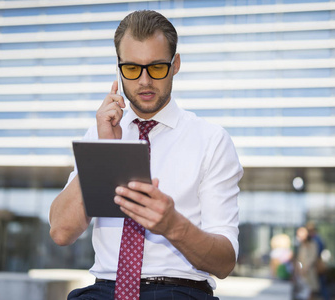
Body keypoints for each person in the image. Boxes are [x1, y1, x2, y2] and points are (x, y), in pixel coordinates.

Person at [49, 10, 243, 300]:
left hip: (179, 290)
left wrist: (172, 225)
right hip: (104, 288)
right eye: (131, 69)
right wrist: (103, 152)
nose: (144, 81)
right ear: (118, 67)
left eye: (156, 68)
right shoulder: (101, 132)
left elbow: (224, 262)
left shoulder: (211, 140)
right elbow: (61, 233)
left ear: (175, 64)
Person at [306, 222, 330, 300]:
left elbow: (315, 255)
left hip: (316, 266)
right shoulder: (317, 239)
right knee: (319, 287)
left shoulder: (316, 240)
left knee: (320, 286)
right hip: (316, 266)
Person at [294, 227, 319, 300]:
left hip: (309, 271)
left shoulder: (312, 244)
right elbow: (299, 259)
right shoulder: (301, 245)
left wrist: (305, 268)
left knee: (310, 291)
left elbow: (313, 257)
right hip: (301, 273)